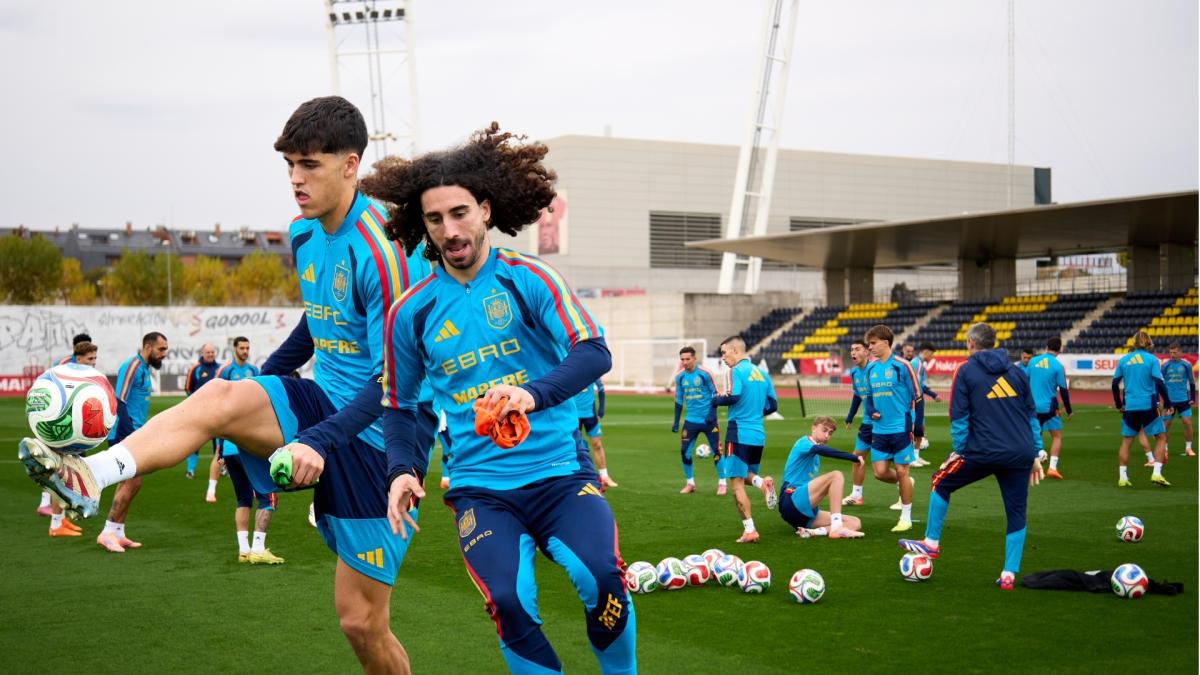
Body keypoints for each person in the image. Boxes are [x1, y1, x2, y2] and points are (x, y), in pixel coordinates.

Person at [20, 96, 424, 672]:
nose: (295, 179)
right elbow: (321, 319)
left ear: (350, 165)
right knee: (217, 397)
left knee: (361, 623)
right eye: (288, 165)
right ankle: (89, 475)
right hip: (322, 402)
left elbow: (395, 374)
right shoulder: (304, 234)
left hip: (378, 434)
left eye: (309, 164)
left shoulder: (384, 250)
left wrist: (322, 439)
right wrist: (263, 381)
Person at [366, 122, 636, 674]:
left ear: (485, 210)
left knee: (603, 579)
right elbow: (399, 404)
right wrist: (400, 469)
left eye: (460, 212)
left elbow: (594, 352)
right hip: (481, 492)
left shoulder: (528, 277)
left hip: (561, 473)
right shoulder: (410, 312)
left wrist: (531, 395)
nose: (450, 229)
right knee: (509, 603)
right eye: (435, 219)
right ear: (424, 227)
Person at [899, 322, 1045, 591]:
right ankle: (1009, 574)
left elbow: (958, 415)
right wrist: (1036, 452)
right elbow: (1031, 414)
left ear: (970, 343)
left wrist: (960, 449)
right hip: (1020, 453)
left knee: (940, 481)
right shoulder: (1017, 372)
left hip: (982, 450)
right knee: (1016, 512)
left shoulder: (965, 371)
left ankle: (931, 544)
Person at [95, 332, 169, 552]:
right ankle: (107, 532)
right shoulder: (132, 365)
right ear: (147, 346)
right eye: (161, 349)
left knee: (130, 483)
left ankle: (118, 532)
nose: (164, 354)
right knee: (132, 482)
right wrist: (129, 436)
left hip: (135, 433)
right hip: (124, 433)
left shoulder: (145, 369)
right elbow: (119, 400)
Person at [711, 335, 779, 544]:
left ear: (735, 350)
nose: (723, 357)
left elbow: (733, 396)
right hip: (758, 434)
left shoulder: (735, 371)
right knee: (745, 475)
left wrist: (715, 399)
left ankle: (750, 530)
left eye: (724, 352)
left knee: (736, 483)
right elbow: (773, 405)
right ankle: (762, 483)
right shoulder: (762, 373)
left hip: (738, 431)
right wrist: (754, 412)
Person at [862, 325, 919, 533]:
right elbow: (868, 398)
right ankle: (906, 482)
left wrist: (918, 426)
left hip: (901, 427)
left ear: (886, 343)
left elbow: (918, 397)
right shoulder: (870, 368)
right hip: (879, 430)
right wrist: (871, 411)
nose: (870, 348)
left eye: (873, 343)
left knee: (902, 470)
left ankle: (906, 517)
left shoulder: (902, 365)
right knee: (879, 472)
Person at [45, 340, 99, 536]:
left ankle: (60, 521)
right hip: (63, 432)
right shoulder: (67, 376)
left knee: (67, 474)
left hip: (74, 432)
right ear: (78, 358)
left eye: (95, 358)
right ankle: (56, 524)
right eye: (89, 358)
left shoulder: (79, 375)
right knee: (60, 474)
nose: (93, 362)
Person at [779, 416, 865, 539]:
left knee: (855, 522)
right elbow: (823, 450)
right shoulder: (804, 442)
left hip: (804, 515)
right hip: (791, 498)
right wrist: (854, 457)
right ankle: (836, 528)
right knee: (836, 476)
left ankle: (814, 532)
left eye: (830, 433)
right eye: (824, 430)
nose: (827, 435)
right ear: (813, 428)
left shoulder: (816, 457)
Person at [1112, 330, 1173, 487]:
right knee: (1161, 437)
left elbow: (1114, 384)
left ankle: (1123, 478)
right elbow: (1159, 383)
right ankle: (1157, 473)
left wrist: (1119, 404)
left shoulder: (1124, 360)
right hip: (1148, 405)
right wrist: (1168, 402)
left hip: (1130, 406)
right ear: (1148, 342)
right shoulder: (1152, 360)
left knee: (1126, 441)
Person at [206, 337, 261, 503]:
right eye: (242, 348)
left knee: (250, 452)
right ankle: (211, 490)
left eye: (247, 348)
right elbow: (214, 392)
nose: (245, 351)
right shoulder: (226, 370)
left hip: (248, 420)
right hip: (228, 419)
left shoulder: (254, 370)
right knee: (220, 453)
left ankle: (252, 487)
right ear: (235, 349)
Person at [672, 345, 723, 494]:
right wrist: (676, 421)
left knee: (717, 450)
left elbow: (715, 393)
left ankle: (722, 483)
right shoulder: (680, 376)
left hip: (709, 420)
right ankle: (690, 484)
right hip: (691, 421)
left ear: (694, 358)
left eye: (688, 359)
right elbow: (679, 399)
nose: (685, 362)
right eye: (682, 359)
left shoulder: (705, 373)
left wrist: (712, 414)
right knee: (684, 452)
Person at [1027, 337, 1073, 479]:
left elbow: (1024, 382)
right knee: (1057, 436)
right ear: (1059, 349)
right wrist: (1069, 410)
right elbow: (1063, 390)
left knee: (1036, 435)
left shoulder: (1032, 361)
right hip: (1049, 407)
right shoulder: (1058, 366)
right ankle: (1052, 468)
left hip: (1032, 406)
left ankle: (1036, 460)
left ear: (1047, 347)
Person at [183, 343, 222, 484]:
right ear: (202, 353)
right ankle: (190, 469)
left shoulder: (220, 368)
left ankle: (221, 468)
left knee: (219, 442)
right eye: (208, 352)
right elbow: (188, 388)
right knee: (195, 442)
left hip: (217, 413)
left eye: (212, 352)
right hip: (199, 413)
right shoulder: (195, 369)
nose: (210, 354)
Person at [841, 340, 873, 506]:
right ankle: (856, 495)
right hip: (867, 422)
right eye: (851, 349)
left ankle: (903, 486)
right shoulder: (854, 373)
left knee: (883, 468)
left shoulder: (875, 370)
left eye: (857, 349)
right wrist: (850, 416)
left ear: (867, 352)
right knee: (857, 457)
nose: (853, 352)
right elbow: (857, 395)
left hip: (884, 424)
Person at [902, 342, 940, 468]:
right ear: (926, 351)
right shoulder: (916, 363)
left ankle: (916, 456)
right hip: (914, 400)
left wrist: (933, 395)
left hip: (918, 399)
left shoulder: (920, 364)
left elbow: (921, 385)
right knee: (913, 429)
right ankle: (910, 458)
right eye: (932, 354)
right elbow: (915, 385)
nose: (932, 357)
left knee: (920, 428)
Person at [575, 379, 617, 488]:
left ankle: (604, 476)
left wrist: (601, 407)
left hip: (590, 414)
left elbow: (601, 388)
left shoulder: (591, 368)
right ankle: (577, 477)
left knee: (597, 445)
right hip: (573, 414)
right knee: (574, 447)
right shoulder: (568, 367)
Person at [1161, 342, 1196, 457]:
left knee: (1188, 422)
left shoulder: (1186, 365)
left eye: (1175, 352)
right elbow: (1159, 383)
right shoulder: (1165, 366)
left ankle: (1188, 448)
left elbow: (1191, 382)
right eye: (1170, 352)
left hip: (1183, 400)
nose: (1172, 354)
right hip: (1169, 401)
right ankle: (1165, 449)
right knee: (1166, 425)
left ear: (1180, 352)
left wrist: (1192, 398)